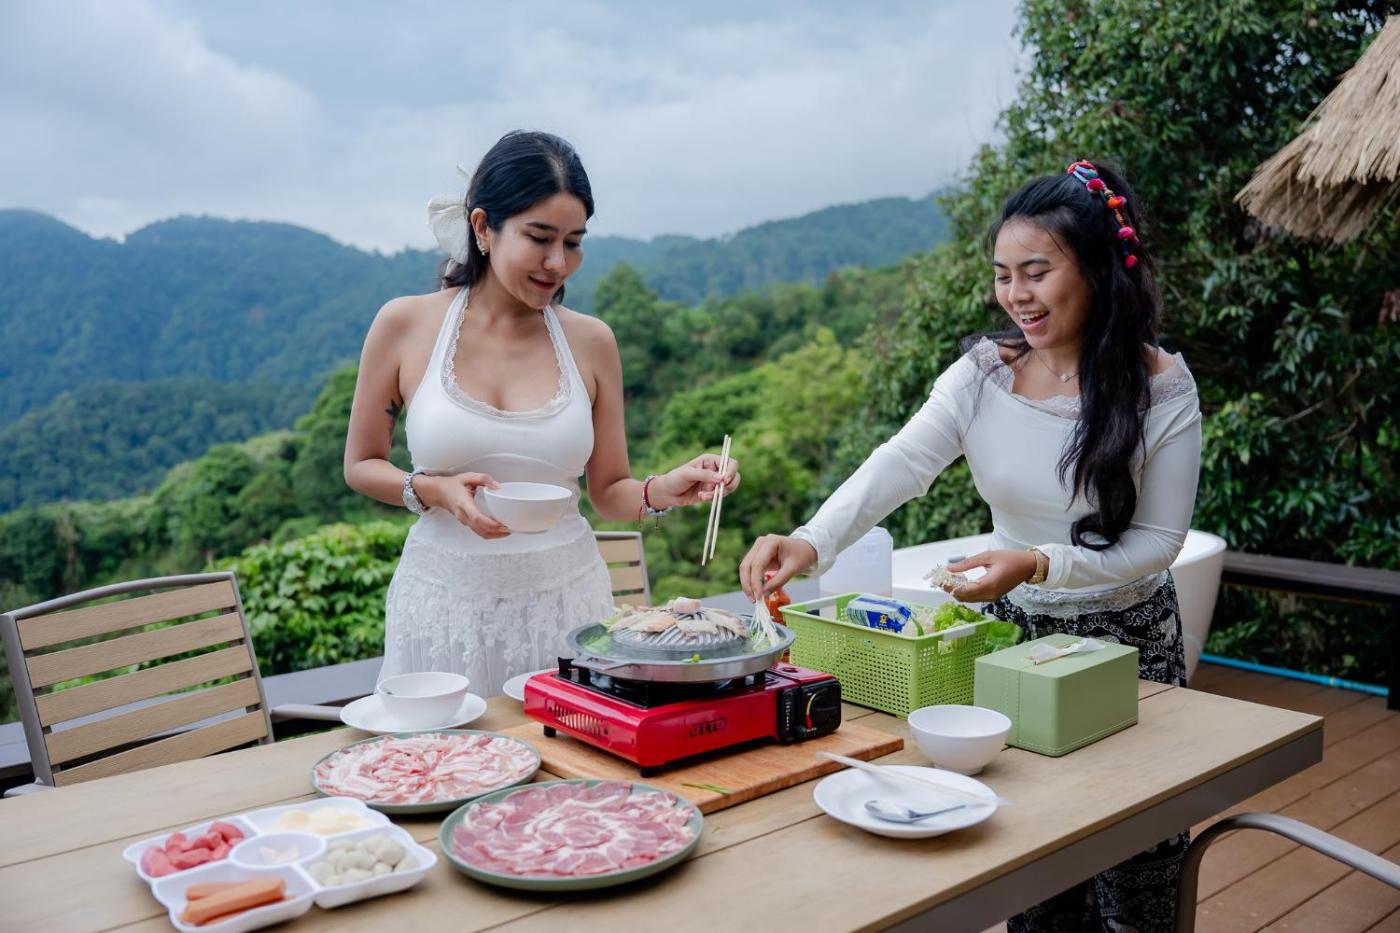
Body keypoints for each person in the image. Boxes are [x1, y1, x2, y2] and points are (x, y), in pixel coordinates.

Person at [739, 159, 1201, 932]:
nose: (1017, 294)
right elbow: (900, 462)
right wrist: (811, 540)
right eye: (1002, 275)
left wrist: (1040, 561)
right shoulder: (985, 374)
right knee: (1032, 861)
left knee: (1139, 867)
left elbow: (1160, 541)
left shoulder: (1162, 385)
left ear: (1095, 268)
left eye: (1037, 272)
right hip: (1012, 639)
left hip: (1131, 649)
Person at [345, 130, 739, 697]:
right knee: (447, 749)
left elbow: (609, 491)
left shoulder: (593, 341)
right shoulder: (404, 325)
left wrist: (665, 490)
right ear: (483, 227)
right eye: (539, 238)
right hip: (444, 606)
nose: (558, 263)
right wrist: (434, 490)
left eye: (573, 242)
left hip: (567, 603)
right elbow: (361, 465)